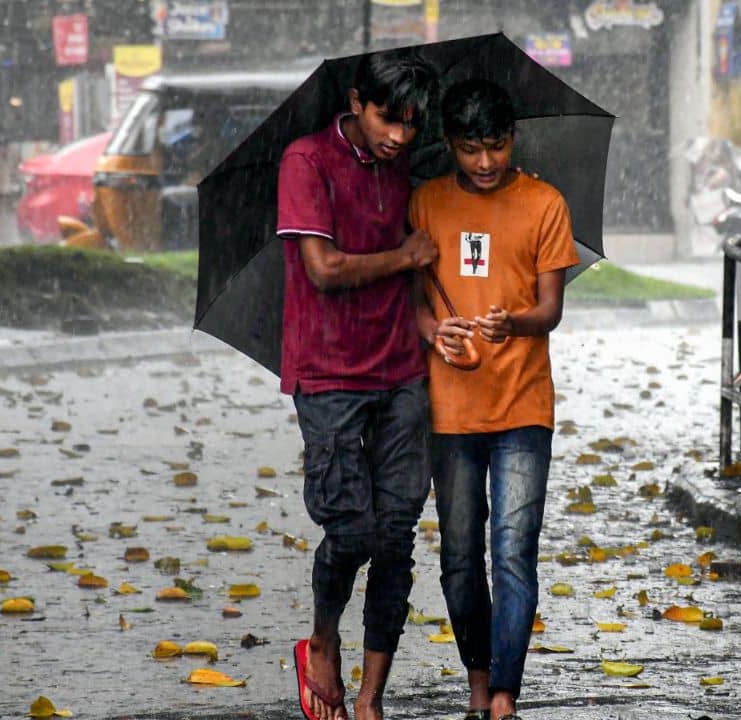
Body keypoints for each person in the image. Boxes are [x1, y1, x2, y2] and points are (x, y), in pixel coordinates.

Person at [275, 51, 440, 720]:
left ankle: (371, 697)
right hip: (328, 370)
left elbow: (422, 255)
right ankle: (321, 642)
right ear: (355, 101)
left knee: (396, 531)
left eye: (411, 124)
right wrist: (404, 255)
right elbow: (322, 267)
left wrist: (425, 307)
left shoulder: (405, 165)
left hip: (401, 365)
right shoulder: (305, 162)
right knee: (352, 528)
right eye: (387, 119)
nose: (400, 136)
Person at [409, 78, 579, 720]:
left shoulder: (544, 203)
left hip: (523, 405)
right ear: (451, 144)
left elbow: (551, 309)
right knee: (458, 555)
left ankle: (505, 691)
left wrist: (517, 324)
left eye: (498, 146)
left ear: (514, 140)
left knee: (512, 548)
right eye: (472, 148)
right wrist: (435, 330)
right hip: (450, 409)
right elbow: (414, 303)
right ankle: (478, 678)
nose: (486, 163)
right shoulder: (423, 204)